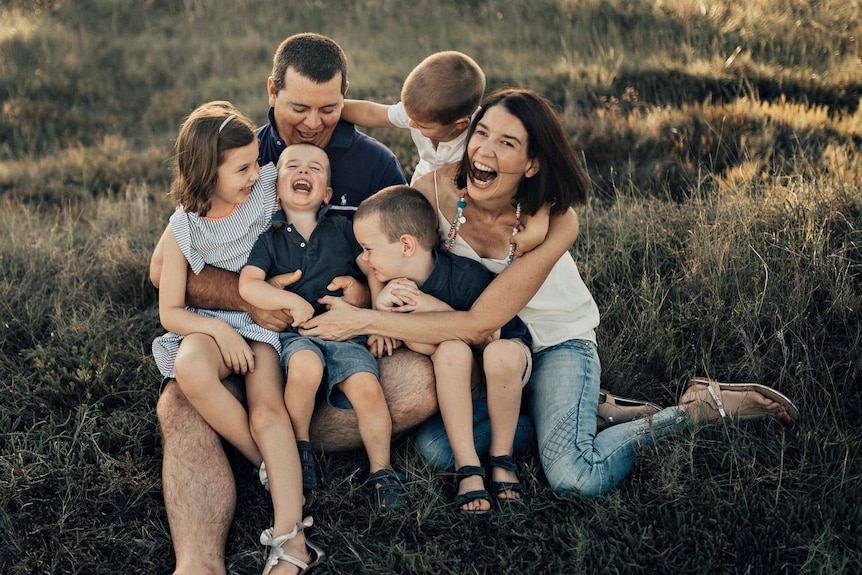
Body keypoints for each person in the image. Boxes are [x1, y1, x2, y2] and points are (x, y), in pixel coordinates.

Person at [300, 87, 800, 499]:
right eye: (482, 135)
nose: (484, 152)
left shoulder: (557, 222)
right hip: (485, 355)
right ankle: (573, 407)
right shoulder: (432, 190)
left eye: (507, 144)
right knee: (438, 452)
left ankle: (693, 410)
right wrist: (372, 292)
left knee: (574, 475)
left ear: (532, 164)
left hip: (553, 344)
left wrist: (362, 321)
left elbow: (480, 319)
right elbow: (393, 249)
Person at [150, 33, 432, 575]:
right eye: (298, 107)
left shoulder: (374, 166)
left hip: (335, 332)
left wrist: (362, 292)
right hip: (244, 335)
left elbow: (411, 253)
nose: (311, 124)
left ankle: (294, 467)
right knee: (180, 403)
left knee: (419, 379)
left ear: (347, 97)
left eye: (329, 109)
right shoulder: (247, 154)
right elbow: (166, 270)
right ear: (271, 92)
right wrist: (255, 301)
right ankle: (199, 562)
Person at [151, 102, 324, 574]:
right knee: (189, 366)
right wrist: (216, 327)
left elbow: (306, 191)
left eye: (256, 162)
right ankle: (267, 466)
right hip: (212, 325)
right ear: (207, 172)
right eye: (243, 167)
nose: (256, 172)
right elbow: (170, 312)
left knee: (269, 409)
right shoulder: (182, 227)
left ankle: (293, 539)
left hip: (262, 328)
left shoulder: (267, 187)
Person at [239, 143, 405, 516]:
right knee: (305, 368)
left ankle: (382, 470)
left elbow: (373, 267)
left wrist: (367, 302)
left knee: (367, 387)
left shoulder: (343, 229)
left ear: (327, 193)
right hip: (297, 334)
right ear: (276, 187)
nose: (303, 172)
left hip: (345, 331)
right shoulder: (270, 237)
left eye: (315, 168)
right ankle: (300, 449)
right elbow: (248, 285)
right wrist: (290, 303)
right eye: (292, 166)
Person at [354, 185, 533, 513]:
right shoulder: (398, 288)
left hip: (506, 371)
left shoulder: (464, 278)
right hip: (465, 388)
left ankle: (503, 458)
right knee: (449, 356)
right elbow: (423, 342)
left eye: (368, 249)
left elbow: (489, 336)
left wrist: (426, 305)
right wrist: (381, 310)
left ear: (406, 244)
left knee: (498, 354)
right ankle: (469, 468)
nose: (363, 259)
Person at [341, 50, 550, 259]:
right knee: (414, 227)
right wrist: (331, 108)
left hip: (466, 193)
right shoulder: (420, 111)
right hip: (426, 182)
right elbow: (371, 113)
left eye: (421, 125)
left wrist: (537, 227)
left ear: (460, 125)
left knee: (453, 238)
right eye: (410, 118)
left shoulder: (480, 134)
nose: (411, 124)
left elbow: (535, 183)